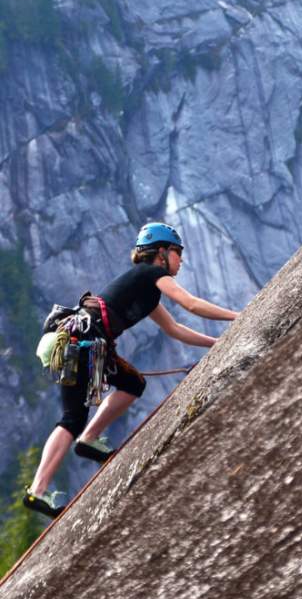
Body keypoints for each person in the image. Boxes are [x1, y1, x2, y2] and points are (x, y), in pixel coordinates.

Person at [23, 222, 239, 518]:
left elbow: (174, 329)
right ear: (161, 253)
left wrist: (216, 342)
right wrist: (238, 318)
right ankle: (43, 484)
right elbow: (190, 304)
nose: (181, 259)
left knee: (130, 385)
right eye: (177, 252)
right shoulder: (152, 273)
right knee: (77, 416)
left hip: (81, 342)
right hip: (86, 343)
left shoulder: (145, 289)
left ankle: (79, 449)